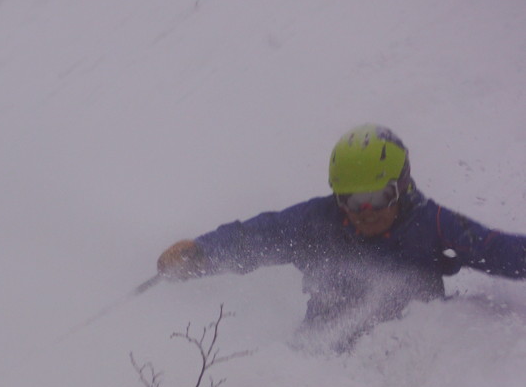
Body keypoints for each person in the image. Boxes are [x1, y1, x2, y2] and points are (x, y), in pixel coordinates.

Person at [156, 124, 526, 349]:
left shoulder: (434, 225)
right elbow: (257, 236)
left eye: (378, 197)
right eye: (351, 199)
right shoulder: (319, 221)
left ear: (402, 186)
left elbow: (501, 252)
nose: (365, 211)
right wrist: (200, 254)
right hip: (321, 352)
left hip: (406, 356)